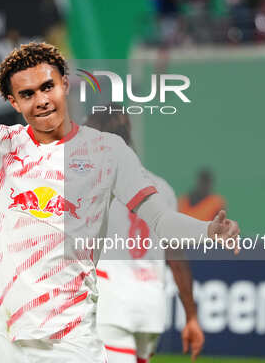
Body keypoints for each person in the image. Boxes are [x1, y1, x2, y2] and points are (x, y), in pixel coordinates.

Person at [0, 42, 240, 361]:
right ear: (14, 103)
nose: (42, 100)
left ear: (64, 84)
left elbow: (161, 220)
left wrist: (208, 229)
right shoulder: (1, 144)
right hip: (1, 327)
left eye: (48, 87)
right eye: (27, 94)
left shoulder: (108, 151)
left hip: (72, 330)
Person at [86, 110, 204, 363]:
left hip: (112, 302)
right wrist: (191, 316)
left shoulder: (95, 183)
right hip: (151, 305)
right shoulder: (163, 188)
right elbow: (176, 258)